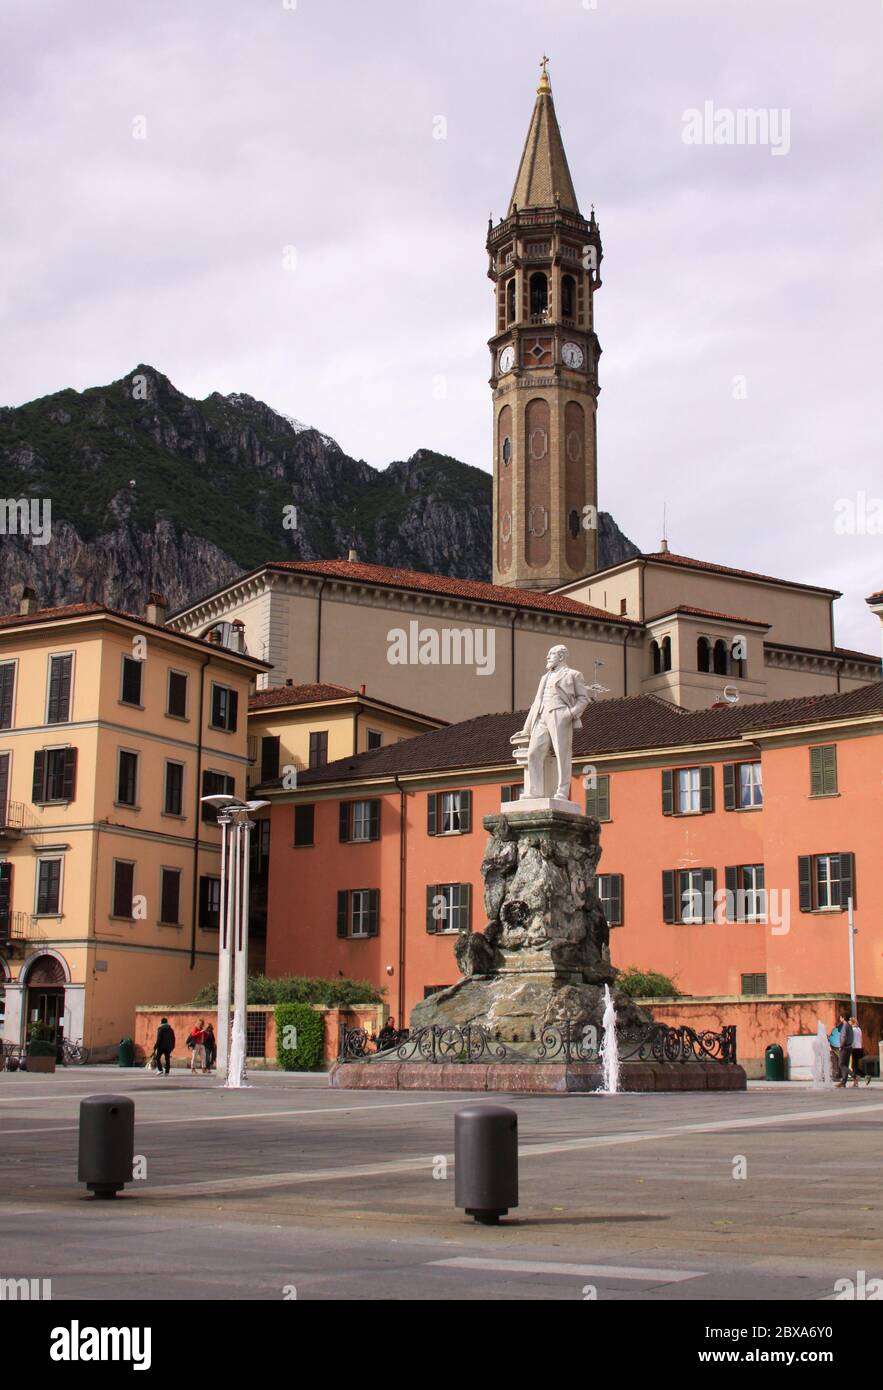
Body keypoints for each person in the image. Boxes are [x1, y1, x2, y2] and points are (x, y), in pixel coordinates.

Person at [516, 645, 591, 801]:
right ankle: (535, 791)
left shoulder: (573, 675)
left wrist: (569, 713)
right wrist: (526, 728)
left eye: (551, 654)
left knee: (562, 754)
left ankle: (562, 791)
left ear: (561, 656)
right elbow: (536, 701)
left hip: (559, 714)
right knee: (533, 753)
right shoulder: (544, 677)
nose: (547, 657)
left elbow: (583, 699)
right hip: (541, 716)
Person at [835, 1011, 854, 1088]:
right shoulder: (849, 1026)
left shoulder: (845, 1026)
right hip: (849, 1047)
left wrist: (841, 1046)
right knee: (845, 1065)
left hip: (844, 1048)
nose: (840, 1019)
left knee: (841, 1064)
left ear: (842, 1018)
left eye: (840, 1017)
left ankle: (854, 1075)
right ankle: (843, 1082)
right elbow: (852, 1037)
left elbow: (843, 1037)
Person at [849, 1016, 866, 1088]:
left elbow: (851, 1040)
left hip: (854, 1048)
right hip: (859, 1048)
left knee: (854, 1066)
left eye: (849, 1021)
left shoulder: (852, 1030)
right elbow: (861, 1039)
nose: (848, 1022)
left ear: (852, 1022)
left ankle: (864, 1076)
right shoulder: (859, 1029)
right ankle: (856, 1082)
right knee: (855, 1065)